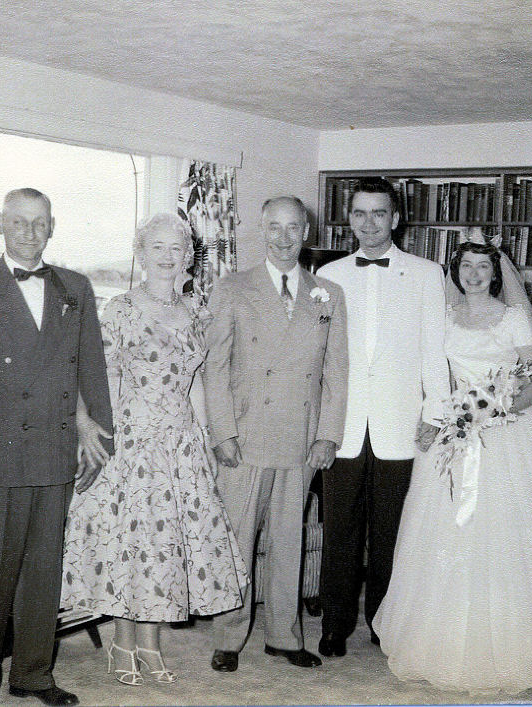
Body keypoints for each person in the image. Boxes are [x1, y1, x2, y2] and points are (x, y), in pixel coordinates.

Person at [373, 240, 532, 698]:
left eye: (483, 267)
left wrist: (496, 409)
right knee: (447, 530)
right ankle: (444, 641)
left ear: (496, 274)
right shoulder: (443, 316)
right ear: (456, 271)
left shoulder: (512, 318)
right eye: (466, 266)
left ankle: (520, 646)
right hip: (454, 431)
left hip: (508, 432)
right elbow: (433, 375)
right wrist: (446, 417)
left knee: (507, 532)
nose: (473, 274)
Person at [0, 188, 113, 707]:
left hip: (55, 451)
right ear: (0, 223)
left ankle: (34, 675)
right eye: (18, 222)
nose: (29, 232)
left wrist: (98, 436)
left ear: (51, 227)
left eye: (39, 223)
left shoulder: (75, 287)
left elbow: (91, 367)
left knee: (43, 574)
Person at [60, 213, 248, 685]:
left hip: (180, 442)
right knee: (133, 544)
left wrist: (204, 438)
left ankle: (150, 643)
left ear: (188, 257)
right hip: (132, 440)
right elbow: (100, 377)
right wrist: (101, 435)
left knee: (164, 548)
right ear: (141, 254)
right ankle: (123, 643)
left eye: (176, 248)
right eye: (157, 247)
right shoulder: (121, 309)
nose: (167, 256)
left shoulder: (195, 311)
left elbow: (195, 382)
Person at [203, 196, 347, 672]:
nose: (284, 238)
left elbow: (336, 372)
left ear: (306, 230)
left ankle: (283, 635)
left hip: (300, 437)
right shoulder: (232, 287)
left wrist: (327, 435)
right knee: (237, 539)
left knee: (289, 541)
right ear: (261, 231)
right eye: (274, 228)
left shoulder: (327, 293)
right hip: (245, 437)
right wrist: (222, 432)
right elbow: (215, 366)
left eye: (292, 228)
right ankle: (228, 636)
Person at [315, 177, 448, 657]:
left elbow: (435, 350)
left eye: (379, 213)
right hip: (342, 425)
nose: (369, 223)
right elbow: (319, 355)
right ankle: (334, 624)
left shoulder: (427, 273)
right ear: (349, 219)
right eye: (360, 213)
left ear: (396, 218)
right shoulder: (327, 275)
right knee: (339, 530)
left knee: (393, 530)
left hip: (401, 422)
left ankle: (384, 622)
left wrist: (436, 411)